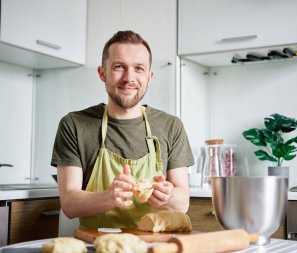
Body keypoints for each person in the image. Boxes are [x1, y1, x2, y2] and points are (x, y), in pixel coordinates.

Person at [51, 30, 194, 229]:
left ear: (149, 76)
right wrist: (108, 198)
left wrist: (168, 195)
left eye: (139, 68)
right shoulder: (74, 125)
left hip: (155, 246)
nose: (129, 77)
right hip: (98, 245)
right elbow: (70, 204)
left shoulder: (171, 126)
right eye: (119, 67)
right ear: (102, 73)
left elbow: (183, 202)